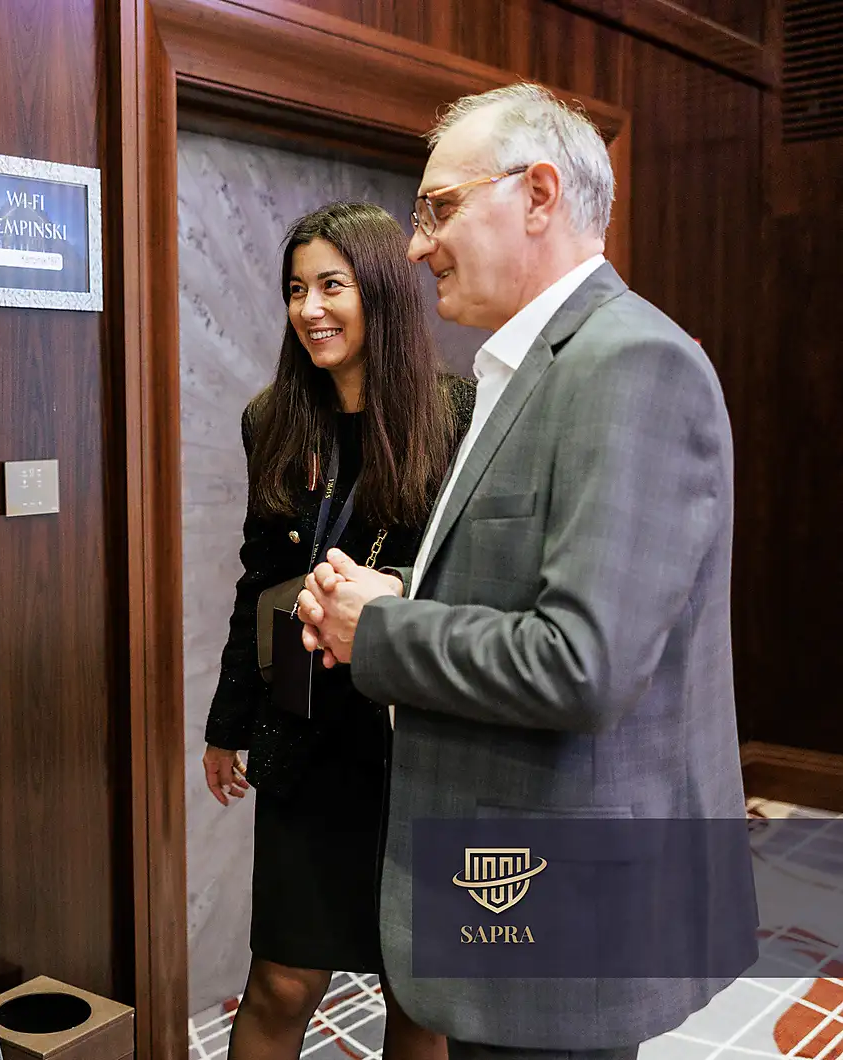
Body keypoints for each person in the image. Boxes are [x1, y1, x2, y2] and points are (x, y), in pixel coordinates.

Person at [297, 83, 758, 1060]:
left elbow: (583, 663)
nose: (417, 246)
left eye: (440, 208)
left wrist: (379, 629)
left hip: (564, 890)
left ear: (539, 194)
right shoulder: (534, 367)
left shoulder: (628, 364)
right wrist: (404, 596)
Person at [201, 202, 472, 1060]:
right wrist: (227, 723)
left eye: (331, 286)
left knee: (419, 990)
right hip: (306, 724)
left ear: (380, 291)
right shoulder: (273, 418)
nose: (309, 309)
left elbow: (476, 582)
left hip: (417, 735)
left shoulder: (458, 414)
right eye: (295, 290)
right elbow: (259, 579)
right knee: (282, 981)